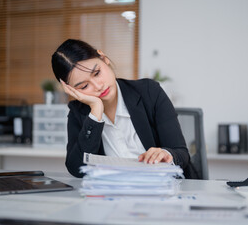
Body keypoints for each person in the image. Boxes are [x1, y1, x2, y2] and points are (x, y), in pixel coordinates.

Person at [51, 39, 194, 178]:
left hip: (164, 191)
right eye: (84, 86)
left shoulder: (149, 92)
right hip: (115, 195)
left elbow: (181, 153)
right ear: (71, 90)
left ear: (104, 58)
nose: (98, 86)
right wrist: (95, 112)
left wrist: (166, 154)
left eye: (97, 73)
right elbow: (76, 169)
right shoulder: (79, 111)